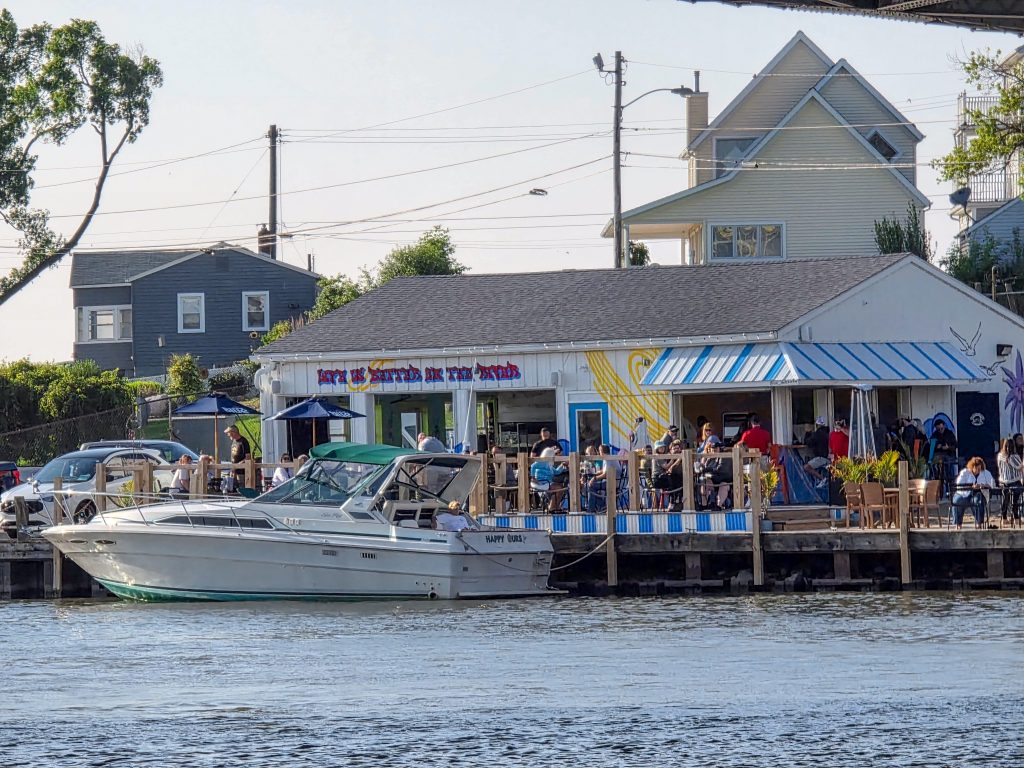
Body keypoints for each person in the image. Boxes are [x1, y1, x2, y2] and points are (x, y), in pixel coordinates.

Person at [951, 457, 995, 529]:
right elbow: (958, 485)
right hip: (964, 493)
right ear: (972, 467)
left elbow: (992, 484)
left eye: (979, 469)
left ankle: (979, 523)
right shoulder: (964, 472)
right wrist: (970, 486)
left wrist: (982, 485)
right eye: (976, 468)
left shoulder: (986, 473)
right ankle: (958, 524)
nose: (978, 471)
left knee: (978, 501)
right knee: (957, 501)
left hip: (979, 493)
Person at [530, 446, 567, 512]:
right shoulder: (542, 462)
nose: (554, 457)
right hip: (542, 482)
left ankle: (555, 507)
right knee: (559, 488)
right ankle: (552, 507)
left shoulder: (549, 464)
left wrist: (562, 465)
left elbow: (557, 472)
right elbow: (533, 466)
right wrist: (533, 478)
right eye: (553, 455)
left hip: (547, 482)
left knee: (561, 489)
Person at [996, 438, 1023, 524]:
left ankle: (1004, 518)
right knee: (1015, 500)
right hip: (1013, 480)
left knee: (1006, 499)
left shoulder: (1000, 455)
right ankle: (1016, 518)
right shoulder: (1014, 456)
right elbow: (1018, 466)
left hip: (1003, 481)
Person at [931, 420, 958, 497]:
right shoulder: (935, 435)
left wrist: (948, 447)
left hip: (949, 456)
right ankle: (940, 493)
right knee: (938, 474)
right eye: (938, 429)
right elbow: (931, 446)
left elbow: (955, 445)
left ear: (944, 426)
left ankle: (950, 492)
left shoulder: (949, 433)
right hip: (939, 457)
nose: (940, 430)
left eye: (941, 428)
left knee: (949, 474)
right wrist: (937, 446)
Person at [224, 424, 252, 491]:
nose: (228, 435)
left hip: (241, 471)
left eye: (229, 433)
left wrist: (239, 464)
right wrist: (233, 467)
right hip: (234, 470)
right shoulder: (234, 441)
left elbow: (248, 457)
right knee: (232, 488)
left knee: (241, 487)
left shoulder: (243, 441)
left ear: (233, 432)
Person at [804, 416, 830, 483]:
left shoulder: (818, 434)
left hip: (821, 458)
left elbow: (808, 443)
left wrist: (808, 432)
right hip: (828, 458)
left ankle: (822, 479)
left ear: (817, 425)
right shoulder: (828, 433)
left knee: (806, 467)